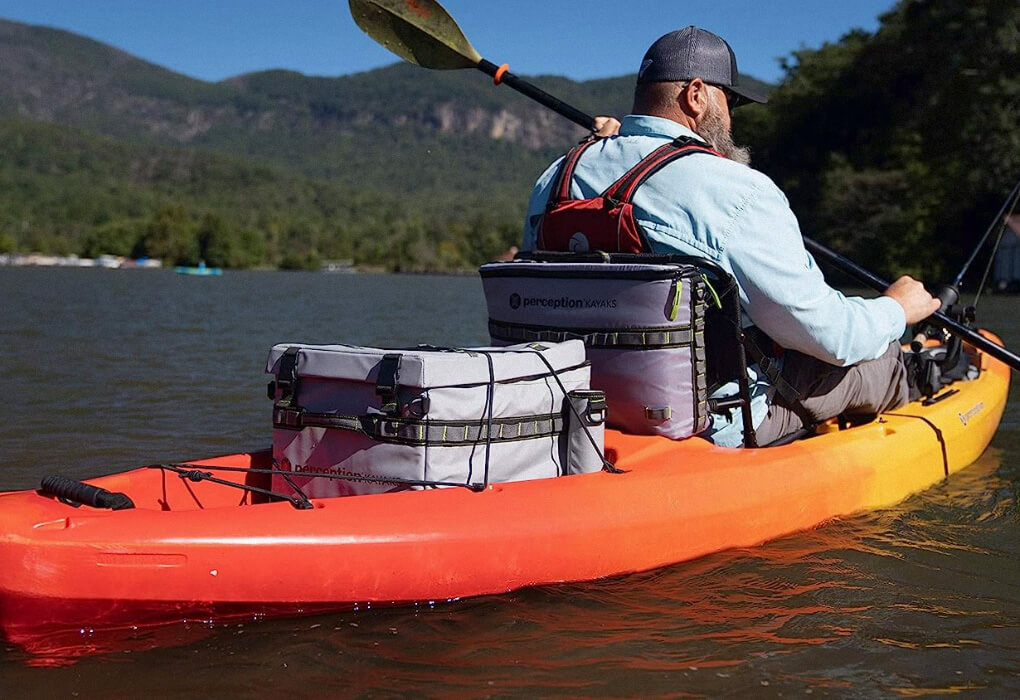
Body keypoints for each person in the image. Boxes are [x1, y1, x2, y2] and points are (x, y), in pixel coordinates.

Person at [521, 26, 940, 447]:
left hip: (575, 409)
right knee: (879, 356)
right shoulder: (738, 189)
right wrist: (895, 309)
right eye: (731, 101)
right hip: (713, 427)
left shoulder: (556, 177)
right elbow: (831, 337)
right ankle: (915, 390)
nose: (733, 118)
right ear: (697, 95)